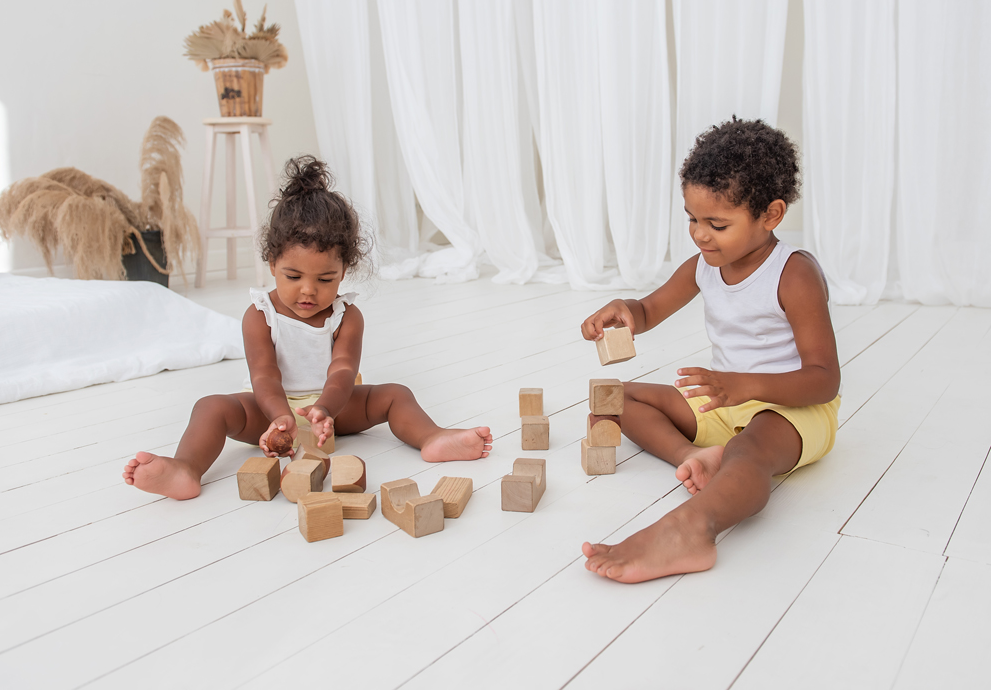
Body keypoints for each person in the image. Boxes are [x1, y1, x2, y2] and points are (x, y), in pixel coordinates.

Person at [124, 156, 492, 500]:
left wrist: (325, 410)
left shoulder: (346, 315)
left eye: (325, 278)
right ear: (272, 263)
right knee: (210, 407)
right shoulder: (260, 314)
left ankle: (432, 437)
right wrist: (279, 416)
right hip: (270, 409)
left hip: (335, 407)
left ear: (343, 272)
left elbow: (343, 369)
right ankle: (186, 468)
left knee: (396, 394)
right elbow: (264, 375)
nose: (308, 290)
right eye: (294, 275)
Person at [580, 117, 840, 583]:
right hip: (724, 400)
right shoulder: (704, 265)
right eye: (693, 219)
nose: (700, 235)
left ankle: (694, 528)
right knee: (615, 398)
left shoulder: (793, 273)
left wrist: (744, 385)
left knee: (750, 448)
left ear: (771, 215)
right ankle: (693, 458)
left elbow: (824, 379)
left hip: (792, 409)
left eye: (717, 224)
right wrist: (626, 313)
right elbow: (650, 308)